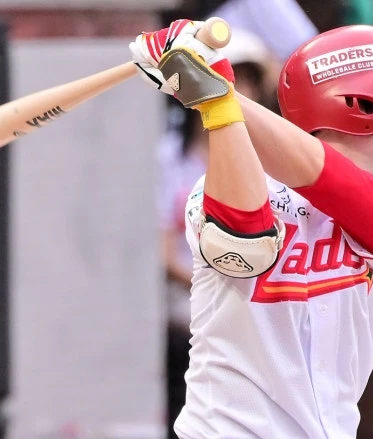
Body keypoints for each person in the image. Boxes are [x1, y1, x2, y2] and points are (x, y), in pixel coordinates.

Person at [130, 18, 373, 437]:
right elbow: (242, 241)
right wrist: (215, 98)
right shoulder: (223, 183)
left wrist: (216, 92)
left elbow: (337, 185)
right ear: (359, 102)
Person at [155, 28, 276, 439]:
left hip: (256, 327)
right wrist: (221, 287)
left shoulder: (274, 162)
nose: (236, 93)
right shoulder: (167, 160)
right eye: (224, 81)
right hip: (185, 325)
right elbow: (162, 253)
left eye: (246, 81)